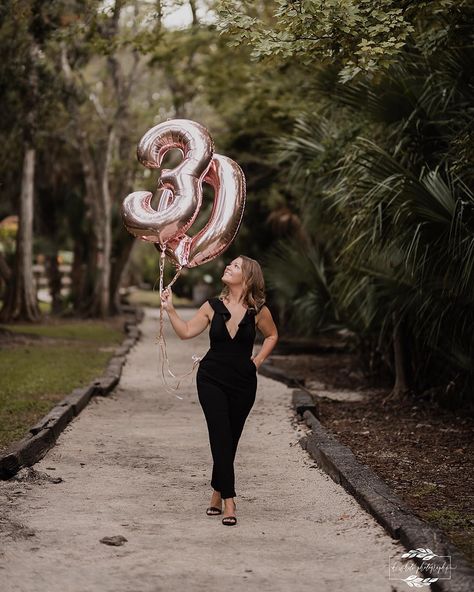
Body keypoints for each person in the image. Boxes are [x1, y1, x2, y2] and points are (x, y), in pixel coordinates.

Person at [160, 255, 278, 526]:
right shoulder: (212, 306)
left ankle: (215, 492)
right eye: (231, 264)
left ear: (248, 277)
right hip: (211, 378)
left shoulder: (259, 310)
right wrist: (171, 309)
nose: (228, 266)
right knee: (220, 435)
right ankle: (230, 500)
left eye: (235, 266)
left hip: (243, 383)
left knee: (230, 439)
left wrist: (258, 360)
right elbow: (187, 332)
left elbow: (272, 335)